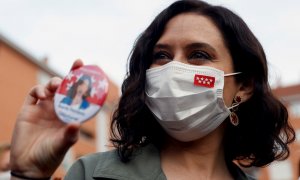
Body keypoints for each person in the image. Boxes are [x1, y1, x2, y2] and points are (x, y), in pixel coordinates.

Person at [10, 0, 295, 179]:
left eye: (199, 55)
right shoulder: (91, 173)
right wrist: (27, 175)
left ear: (243, 85)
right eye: (161, 56)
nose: (173, 69)